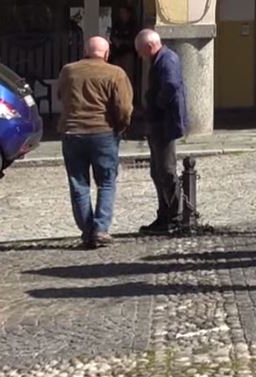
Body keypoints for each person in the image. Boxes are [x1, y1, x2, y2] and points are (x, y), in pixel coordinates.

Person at [55, 37, 133, 248]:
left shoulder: (69, 71)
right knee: (106, 181)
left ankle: (87, 230)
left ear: (85, 51)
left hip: (72, 131)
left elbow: (60, 95)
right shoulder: (115, 73)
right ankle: (100, 228)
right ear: (106, 54)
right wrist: (120, 125)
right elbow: (124, 107)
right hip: (103, 132)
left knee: (78, 182)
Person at [135, 29, 190, 234]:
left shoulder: (167, 59)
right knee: (157, 171)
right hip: (158, 122)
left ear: (149, 47)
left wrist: (157, 103)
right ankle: (164, 214)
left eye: (141, 51)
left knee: (166, 170)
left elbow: (171, 85)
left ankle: (174, 217)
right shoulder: (160, 59)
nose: (141, 56)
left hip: (164, 123)